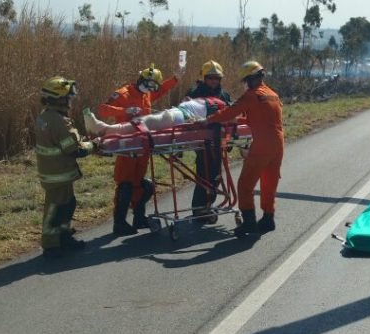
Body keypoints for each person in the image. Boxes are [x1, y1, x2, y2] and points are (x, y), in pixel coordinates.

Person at [97, 63, 180, 235]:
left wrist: (176, 79)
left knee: (143, 185)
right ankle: (119, 223)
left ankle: (139, 218)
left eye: (153, 86)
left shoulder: (147, 94)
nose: (151, 89)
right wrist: (125, 109)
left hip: (142, 145)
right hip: (127, 146)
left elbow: (161, 90)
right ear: (141, 79)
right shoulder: (123, 94)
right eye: (149, 84)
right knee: (125, 184)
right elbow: (103, 110)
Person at [205, 61, 284, 236]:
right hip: (278, 143)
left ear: (250, 79)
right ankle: (268, 219)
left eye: (247, 80)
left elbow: (230, 112)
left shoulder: (251, 95)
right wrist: (236, 120)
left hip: (263, 144)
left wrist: (209, 120)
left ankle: (249, 223)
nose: (247, 84)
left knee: (245, 185)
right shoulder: (273, 94)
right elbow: (259, 118)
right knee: (269, 182)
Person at [34, 76, 95, 259]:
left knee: (67, 205)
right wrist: (95, 145)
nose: (70, 101)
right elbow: (74, 149)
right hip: (58, 174)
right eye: (68, 97)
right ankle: (51, 245)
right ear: (59, 99)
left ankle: (64, 236)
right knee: (56, 208)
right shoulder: (59, 121)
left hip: (54, 172)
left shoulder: (45, 117)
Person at [186, 61, 233, 223]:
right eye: (211, 78)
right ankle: (199, 208)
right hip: (202, 141)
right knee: (204, 173)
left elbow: (231, 113)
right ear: (204, 78)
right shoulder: (194, 93)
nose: (214, 81)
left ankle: (206, 206)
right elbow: (185, 113)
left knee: (216, 175)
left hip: (219, 140)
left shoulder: (224, 95)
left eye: (216, 78)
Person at [83, 97, 227, 136]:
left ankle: (103, 129)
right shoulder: (209, 101)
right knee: (143, 122)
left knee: (144, 122)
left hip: (179, 117)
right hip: (177, 114)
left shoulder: (219, 104)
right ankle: (103, 129)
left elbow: (227, 117)